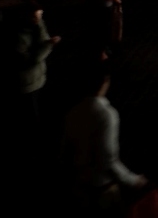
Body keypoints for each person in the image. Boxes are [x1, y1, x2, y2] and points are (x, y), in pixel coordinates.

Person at [63, 64, 147, 212]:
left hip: (79, 183)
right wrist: (133, 180)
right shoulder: (107, 115)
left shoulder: (73, 111)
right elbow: (108, 159)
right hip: (101, 185)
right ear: (105, 82)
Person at [13, 10, 59, 123]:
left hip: (39, 78)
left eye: (40, 16)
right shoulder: (18, 37)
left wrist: (40, 25)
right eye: (36, 17)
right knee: (32, 115)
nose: (38, 19)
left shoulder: (36, 26)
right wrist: (49, 45)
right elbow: (33, 59)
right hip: (28, 84)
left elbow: (44, 39)